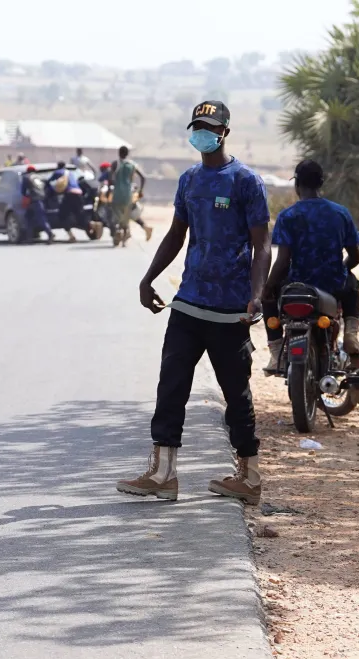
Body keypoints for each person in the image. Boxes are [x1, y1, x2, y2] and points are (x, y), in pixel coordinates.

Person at [117, 99, 271, 504]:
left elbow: (262, 245)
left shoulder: (245, 181)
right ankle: (163, 473)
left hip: (231, 309)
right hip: (188, 302)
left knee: (236, 393)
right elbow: (175, 235)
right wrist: (148, 277)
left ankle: (249, 476)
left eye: (209, 126)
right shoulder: (189, 180)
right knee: (171, 386)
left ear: (224, 132)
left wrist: (257, 296)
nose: (202, 133)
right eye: (197, 126)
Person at [262, 160, 359, 372]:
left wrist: (267, 288)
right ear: (321, 184)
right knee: (352, 283)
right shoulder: (340, 213)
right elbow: (355, 257)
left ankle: (276, 354)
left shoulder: (287, 216)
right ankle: (350, 335)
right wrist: (341, 269)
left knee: (268, 297)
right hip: (332, 284)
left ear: (297, 184)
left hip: (296, 285)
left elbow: (282, 261)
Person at [111, 146, 150, 245]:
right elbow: (143, 177)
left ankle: (122, 233)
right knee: (126, 214)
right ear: (127, 154)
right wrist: (141, 190)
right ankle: (125, 235)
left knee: (118, 213)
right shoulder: (132, 165)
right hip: (128, 193)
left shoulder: (115, 164)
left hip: (117, 193)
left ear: (119, 153)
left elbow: (110, 179)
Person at [47, 161, 83, 243]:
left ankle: (71, 236)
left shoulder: (57, 172)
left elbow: (48, 182)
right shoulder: (71, 172)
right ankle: (93, 225)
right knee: (79, 215)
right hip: (79, 193)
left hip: (69, 194)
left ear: (57, 166)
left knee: (62, 216)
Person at [22, 165, 54, 243]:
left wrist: (26, 196)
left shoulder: (26, 177)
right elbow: (49, 188)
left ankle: (50, 233)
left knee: (39, 218)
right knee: (29, 217)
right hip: (41, 199)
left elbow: (23, 190)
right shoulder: (41, 177)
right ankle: (29, 237)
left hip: (33, 200)